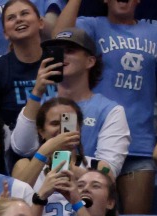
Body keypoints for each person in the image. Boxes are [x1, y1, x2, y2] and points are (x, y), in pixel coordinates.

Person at [55, 0, 157, 214]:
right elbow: (59, 38)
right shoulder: (91, 25)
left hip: (140, 143)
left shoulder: (154, 30)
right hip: (92, 142)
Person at [10, 28, 129, 177]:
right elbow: (21, 148)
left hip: (85, 188)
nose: (62, 56)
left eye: (70, 51)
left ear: (90, 61)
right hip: (43, 186)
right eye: (58, 52)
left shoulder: (110, 110)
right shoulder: (40, 104)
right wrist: (37, 92)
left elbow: (108, 172)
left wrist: (64, 169)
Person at [0, 0, 46, 129]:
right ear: (5, 33)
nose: (19, 19)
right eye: (11, 18)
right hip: (13, 139)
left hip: (62, 138)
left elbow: (72, 105)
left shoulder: (57, 61)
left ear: (41, 22)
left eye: (24, 13)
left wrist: (67, 139)